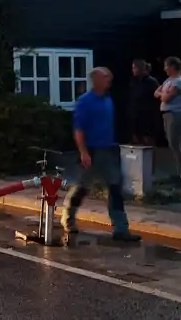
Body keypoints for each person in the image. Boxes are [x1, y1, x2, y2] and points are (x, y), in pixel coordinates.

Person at [61, 67, 141, 243]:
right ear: (95, 79)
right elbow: (79, 129)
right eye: (105, 77)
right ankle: (68, 217)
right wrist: (83, 152)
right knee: (83, 186)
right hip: (92, 150)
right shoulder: (85, 102)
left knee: (115, 188)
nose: (109, 80)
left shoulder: (108, 99)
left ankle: (121, 229)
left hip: (110, 149)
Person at [156, 56, 181, 182]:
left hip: (176, 114)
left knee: (175, 144)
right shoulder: (168, 80)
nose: (165, 69)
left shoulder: (179, 82)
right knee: (172, 143)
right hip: (167, 113)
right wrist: (163, 94)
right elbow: (157, 92)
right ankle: (179, 172)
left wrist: (163, 95)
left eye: (166, 66)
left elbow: (166, 98)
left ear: (172, 67)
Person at [128, 59, 161, 146]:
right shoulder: (134, 82)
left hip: (148, 118)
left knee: (148, 143)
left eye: (134, 68)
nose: (133, 70)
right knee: (137, 143)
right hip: (136, 117)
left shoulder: (152, 82)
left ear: (140, 68)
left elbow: (157, 99)